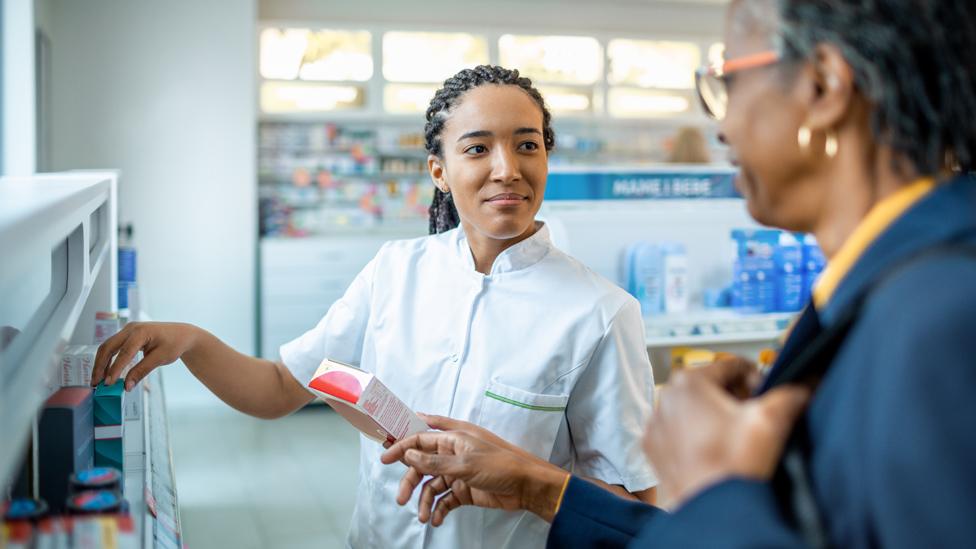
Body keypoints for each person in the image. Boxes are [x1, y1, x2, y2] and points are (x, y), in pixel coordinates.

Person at [382, 0, 976, 546]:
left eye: (727, 82)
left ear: (822, 86)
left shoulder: (942, 319)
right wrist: (537, 486)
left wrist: (717, 489)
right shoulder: (884, 294)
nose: (721, 127)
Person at [92, 65, 658, 548]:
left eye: (527, 144)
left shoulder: (601, 313)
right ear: (438, 170)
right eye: (478, 147)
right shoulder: (395, 270)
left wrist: (520, 477)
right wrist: (192, 341)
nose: (507, 168)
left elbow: (629, 511)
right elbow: (278, 389)